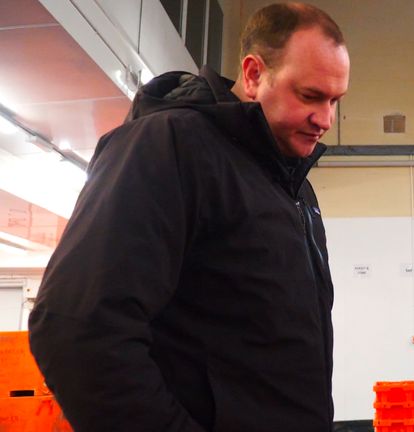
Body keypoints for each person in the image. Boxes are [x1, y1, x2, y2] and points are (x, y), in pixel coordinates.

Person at [28, 3, 349, 431]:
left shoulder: (292, 187)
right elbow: (77, 328)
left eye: (335, 101)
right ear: (253, 75)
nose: (325, 119)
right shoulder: (169, 147)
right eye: (309, 96)